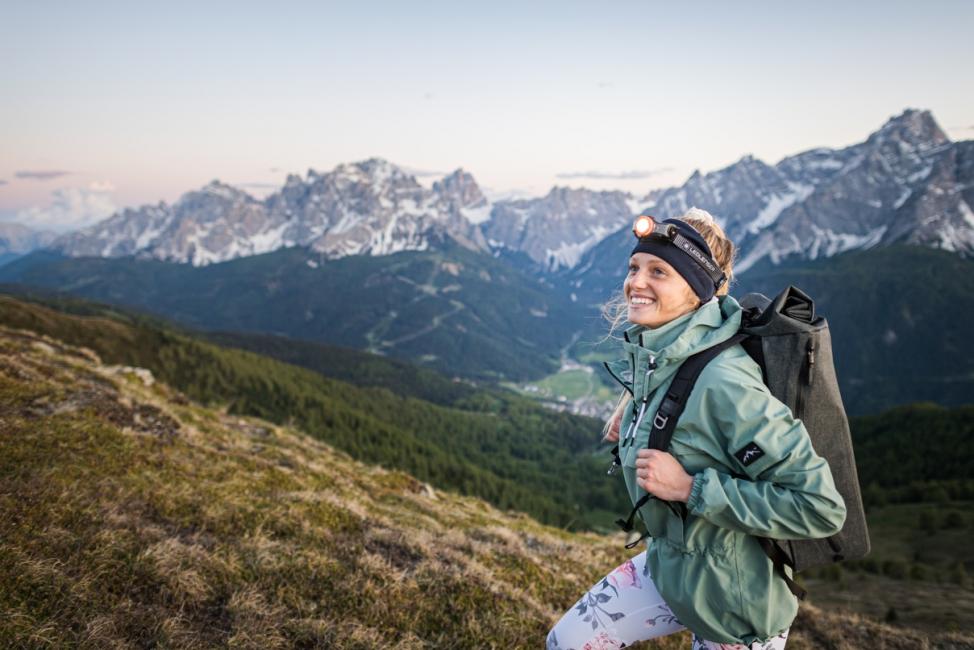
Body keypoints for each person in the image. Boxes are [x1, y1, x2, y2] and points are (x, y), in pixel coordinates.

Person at [547, 208, 846, 650]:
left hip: (735, 609)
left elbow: (820, 507)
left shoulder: (729, 386)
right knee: (566, 642)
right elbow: (676, 383)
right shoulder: (670, 348)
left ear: (696, 291)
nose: (636, 282)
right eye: (634, 267)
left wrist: (690, 488)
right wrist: (630, 405)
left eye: (659, 272)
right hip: (671, 567)